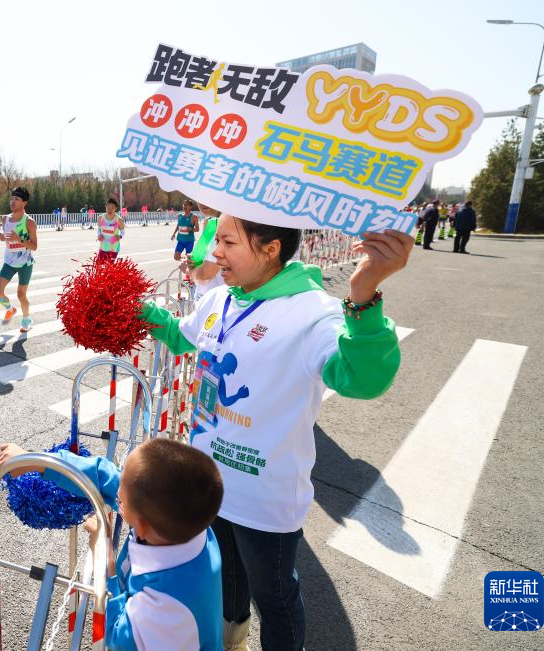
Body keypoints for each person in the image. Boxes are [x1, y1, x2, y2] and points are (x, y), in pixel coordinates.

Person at [139, 211, 412, 651]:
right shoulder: (220, 299)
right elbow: (179, 335)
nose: (215, 253)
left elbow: (362, 380)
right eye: (217, 241)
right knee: (227, 578)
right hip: (209, 482)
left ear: (271, 249)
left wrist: (363, 294)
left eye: (228, 242)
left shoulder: (313, 312)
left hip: (265, 497)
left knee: (275, 596)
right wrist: (133, 307)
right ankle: (233, 641)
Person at [0, 437, 224, 650]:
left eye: (121, 499)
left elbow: (117, 638)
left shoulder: (166, 609)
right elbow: (105, 477)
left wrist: (104, 556)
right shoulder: (187, 522)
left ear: (142, 525)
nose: (117, 494)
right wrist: (40, 462)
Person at [0, 187, 38, 332]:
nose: (12, 202)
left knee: (21, 295)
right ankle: (10, 308)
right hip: (9, 262)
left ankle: (26, 319)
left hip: (25, 263)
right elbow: (7, 236)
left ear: (24, 203)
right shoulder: (5, 219)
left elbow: (34, 246)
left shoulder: (29, 222)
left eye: (17, 199)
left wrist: (19, 239)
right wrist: (3, 237)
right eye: (12, 198)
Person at [96, 197, 125, 263]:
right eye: (108, 207)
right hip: (103, 247)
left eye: (112, 208)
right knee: (98, 266)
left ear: (115, 208)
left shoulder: (119, 220)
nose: (110, 210)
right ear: (105, 207)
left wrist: (120, 236)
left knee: (109, 267)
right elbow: (98, 229)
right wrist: (99, 235)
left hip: (113, 248)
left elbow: (123, 232)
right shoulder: (100, 218)